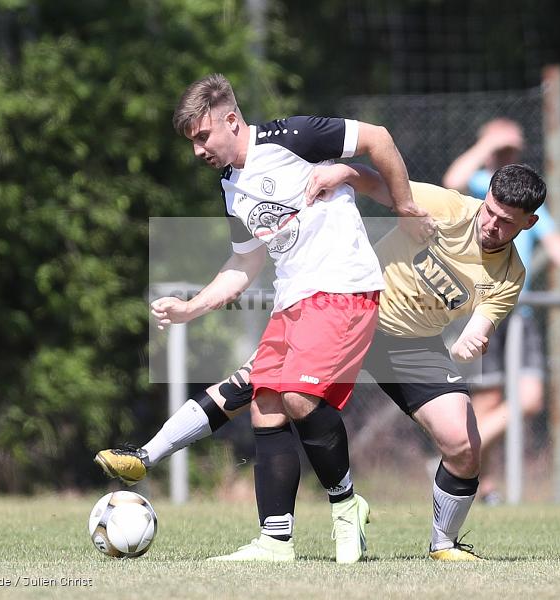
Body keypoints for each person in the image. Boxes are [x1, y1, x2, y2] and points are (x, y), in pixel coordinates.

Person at [99, 162, 548, 561]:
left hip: (414, 344)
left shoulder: (511, 273)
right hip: (357, 314)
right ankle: (146, 454)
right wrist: (345, 173)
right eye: (489, 209)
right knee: (254, 388)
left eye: (505, 221)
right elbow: (381, 182)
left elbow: (484, 320)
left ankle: (444, 545)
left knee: (463, 446)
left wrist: (476, 335)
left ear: (528, 223)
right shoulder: (446, 206)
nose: (490, 223)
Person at [97, 74, 432, 564]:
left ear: (231, 120)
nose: (197, 151)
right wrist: (192, 308)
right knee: (265, 406)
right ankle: (275, 542)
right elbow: (244, 263)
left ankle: (347, 506)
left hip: (342, 288)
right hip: (292, 301)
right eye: (191, 142)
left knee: (298, 397)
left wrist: (404, 207)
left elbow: (378, 138)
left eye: (202, 136)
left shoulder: (294, 137)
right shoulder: (231, 186)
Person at [441, 118, 560, 503]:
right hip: (477, 311)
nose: (508, 155)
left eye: (513, 149)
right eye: (501, 149)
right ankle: (482, 483)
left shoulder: (525, 204)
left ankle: (456, 450)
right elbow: (451, 180)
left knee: (529, 399)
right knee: (487, 403)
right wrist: (486, 144)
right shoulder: (480, 188)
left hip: (517, 313)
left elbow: (559, 248)